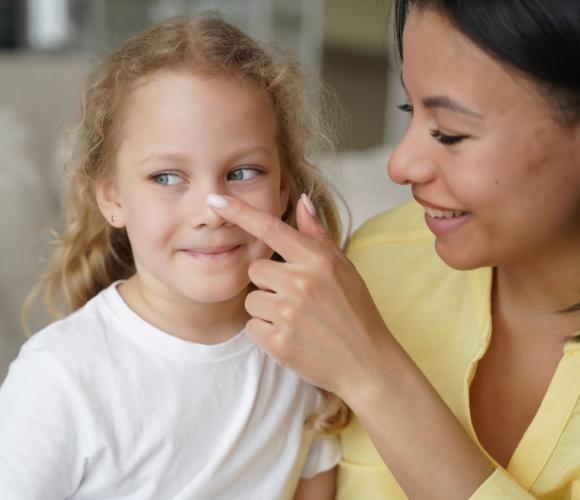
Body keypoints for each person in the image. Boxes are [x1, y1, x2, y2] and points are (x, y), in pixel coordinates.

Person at [203, 0, 580, 498]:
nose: (400, 165)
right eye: (410, 109)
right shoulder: (376, 263)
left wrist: (373, 375)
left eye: (450, 132)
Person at [0, 16, 350, 500]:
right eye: (167, 177)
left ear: (285, 188)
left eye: (243, 171)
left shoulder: (304, 352)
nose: (212, 211)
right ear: (112, 199)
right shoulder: (59, 379)